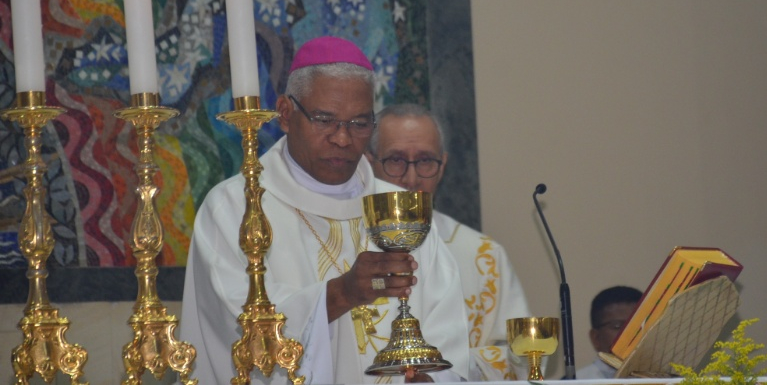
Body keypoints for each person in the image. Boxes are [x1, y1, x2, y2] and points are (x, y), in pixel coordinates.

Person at [180, 37, 470, 384]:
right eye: (324, 120)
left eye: (359, 123)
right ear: (286, 114)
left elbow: (447, 332)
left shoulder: (400, 209)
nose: (343, 139)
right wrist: (340, 294)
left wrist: (433, 379)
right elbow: (235, 333)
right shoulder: (234, 209)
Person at [367, 104, 532, 381]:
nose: (411, 179)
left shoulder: (484, 255)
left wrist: (446, 374)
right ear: (369, 163)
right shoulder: (345, 244)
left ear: (442, 165)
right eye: (395, 160)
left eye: (425, 161)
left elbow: (521, 355)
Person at [577, 285, 642, 379]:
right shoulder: (575, 382)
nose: (630, 334)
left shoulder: (666, 380)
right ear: (596, 338)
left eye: (638, 325)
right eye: (617, 326)